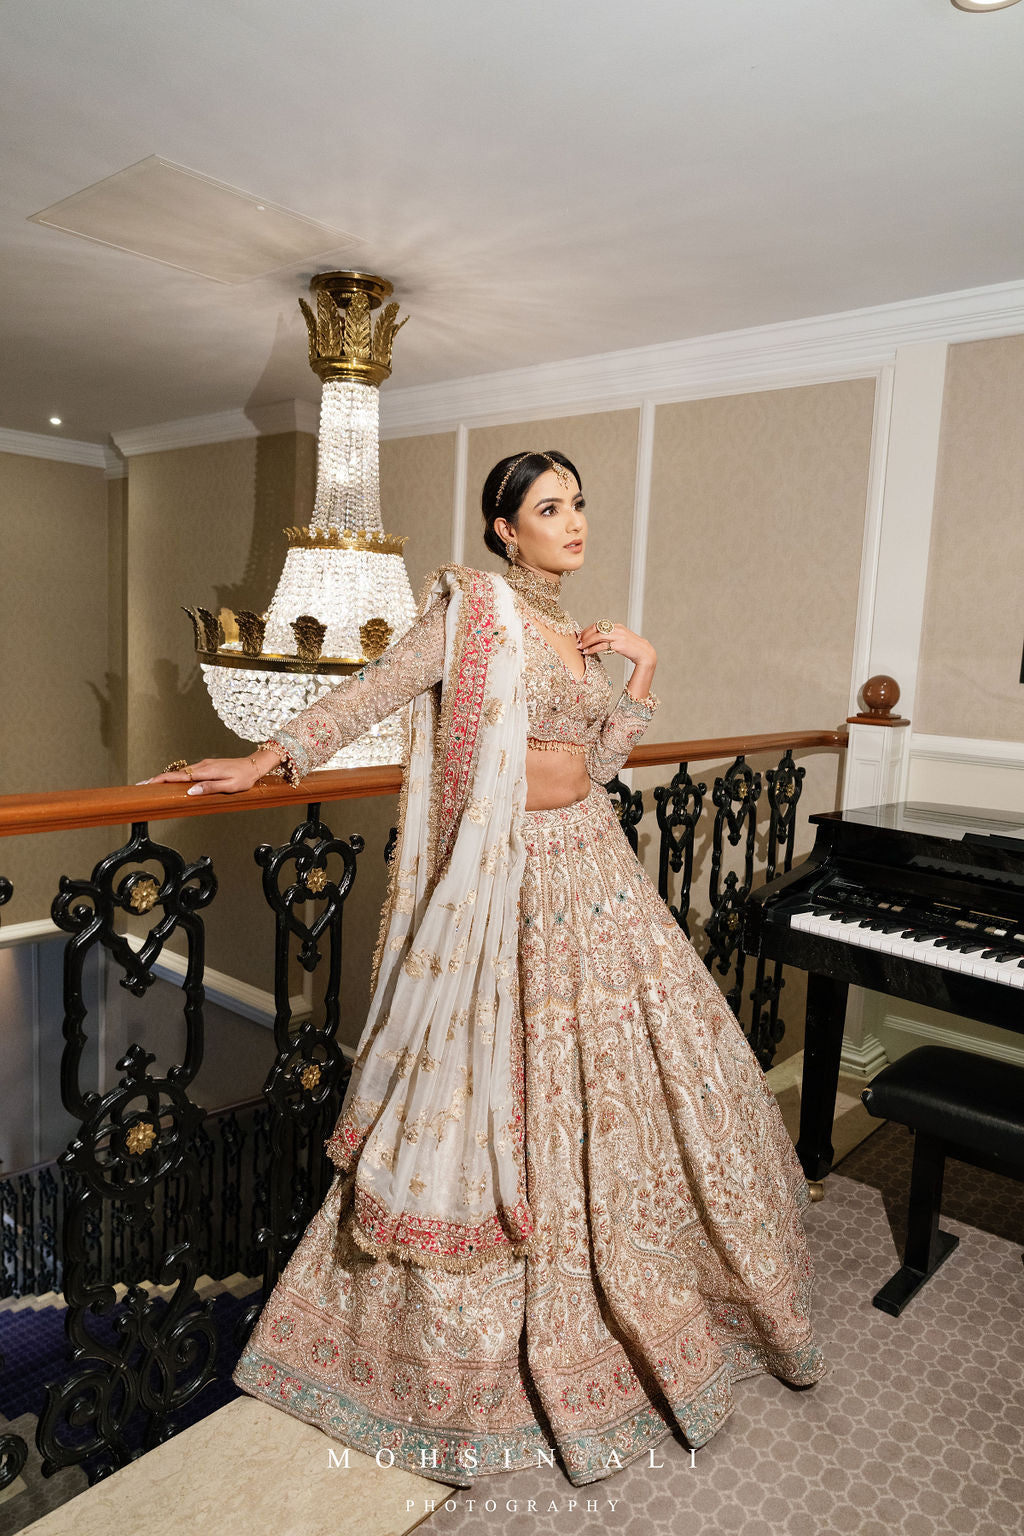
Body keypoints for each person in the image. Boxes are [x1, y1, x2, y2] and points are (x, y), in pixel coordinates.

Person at [147, 449, 827, 1488]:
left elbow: (597, 765)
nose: (574, 522)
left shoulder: (576, 637)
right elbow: (376, 687)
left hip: (594, 870)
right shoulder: (472, 610)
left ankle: (658, 1290)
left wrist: (640, 676)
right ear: (504, 528)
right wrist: (267, 757)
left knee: (636, 1087)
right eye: (550, 507)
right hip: (506, 884)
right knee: (505, 1093)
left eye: (579, 504)